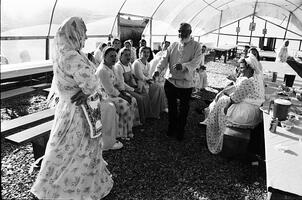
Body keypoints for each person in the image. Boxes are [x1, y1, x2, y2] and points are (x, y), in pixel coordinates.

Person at [31, 17, 114, 199]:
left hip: (66, 108)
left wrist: (89, 88)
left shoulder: (63, 53)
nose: (85, 36)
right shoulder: (73, 56)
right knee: (81, 147)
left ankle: (52, 185)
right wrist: (91, 89)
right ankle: (77, 188)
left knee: (62, 147)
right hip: (80, 112)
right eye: (83, 32)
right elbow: (92, 83)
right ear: (74, 33)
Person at [205, 56, 265, 154]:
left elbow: (234, 99)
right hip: (254, 111)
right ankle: (211, 119)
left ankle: (215, 131)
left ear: (249, 68)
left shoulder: (247, 81)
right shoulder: (257, 78)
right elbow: (239, 90)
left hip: (245, 114)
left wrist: (225, 105)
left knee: (222, 102)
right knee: (222, 99)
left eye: (242, 68)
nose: (240, 70)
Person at [153, 22, 203, 141]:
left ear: (190, 32)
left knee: (184, 109)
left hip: (186, 84)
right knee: (172, 106)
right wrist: (157, 70)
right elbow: (164, 59)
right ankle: (172, 127)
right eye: (179, 31)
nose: (181, 33)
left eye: (184, 31)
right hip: (170, 81)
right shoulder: (173, 45)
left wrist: (184, 66)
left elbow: (196, 62)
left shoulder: (196, 46)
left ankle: (181, 130)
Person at [96, 47, 140, 140]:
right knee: (124, 104)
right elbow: (109, 90)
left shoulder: (112, 67)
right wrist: (122, 96)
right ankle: (121, 133)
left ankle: (130, 127)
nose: (114, 58)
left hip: (114, 93)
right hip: (104, 96)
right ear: (104, 57)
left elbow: (118, 82)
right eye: (111, 56)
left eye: (115, 56)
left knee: (133, 99)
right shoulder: (102, 70)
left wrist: (123, 92)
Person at [114, 47, 152, 124]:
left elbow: (131, 77)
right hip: (124, 89)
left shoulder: (129, 64)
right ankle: (140, 120)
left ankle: (147, 115)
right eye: (126, 55)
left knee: (145, 95)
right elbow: (122, 84)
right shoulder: (118, 66)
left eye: (129, 55)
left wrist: (135, 85)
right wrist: (134, 89)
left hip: (131, 86)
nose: (128, 57)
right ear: (120, 56)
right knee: (140, 98)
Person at [133, 46, 167, 119]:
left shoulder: (148, 63)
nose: (146, 54)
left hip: (146, 82)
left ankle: (156, 110)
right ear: (140, 53)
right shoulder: (137, 63)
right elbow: (140, 76)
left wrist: (151, 79)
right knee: (157, 88)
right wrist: (148, 80)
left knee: (159, 87)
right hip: (138, 84)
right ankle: (151, 112)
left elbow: (148, 75)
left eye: (148, 52)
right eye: (144, 52)